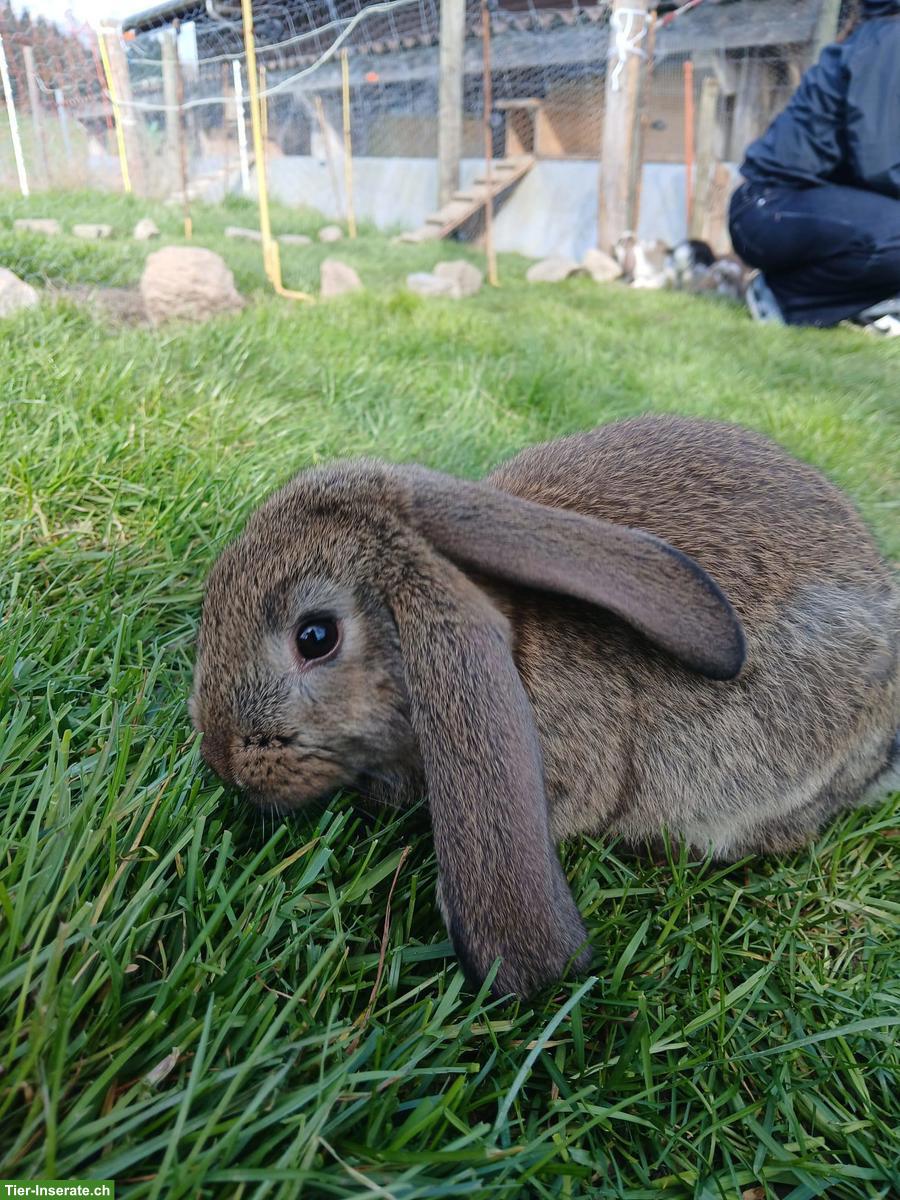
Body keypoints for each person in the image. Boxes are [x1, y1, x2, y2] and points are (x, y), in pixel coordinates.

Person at [728, 0, 900, 332]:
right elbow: (879, 161)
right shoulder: (890, 40)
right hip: (768, 207)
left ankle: (870, 306)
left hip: (807, 209)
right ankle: (783, 296)